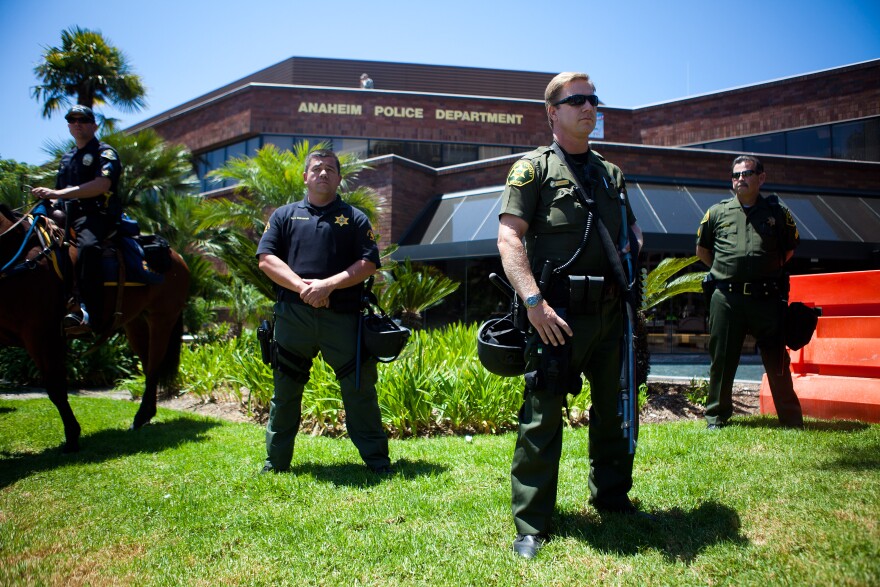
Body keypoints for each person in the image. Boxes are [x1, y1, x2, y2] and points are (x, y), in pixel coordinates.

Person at [497, 72, 645, 559]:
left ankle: (612, 496)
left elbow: (631, 236)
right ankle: (531, 524)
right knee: (541, 418)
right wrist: (533, 302)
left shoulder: (611, 173)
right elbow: (509, 237)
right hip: (554, 315)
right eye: (576, 99)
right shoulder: (532, 170)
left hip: (608, 314)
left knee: (614, 410)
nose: (589, 106)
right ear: (552, 111)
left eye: (593, 99)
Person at [256, 148, 391, 475]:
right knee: (285, 393)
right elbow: (266, 259)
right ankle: (275, 465)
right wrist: (305, 288)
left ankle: (378, 462)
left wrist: (328, 285)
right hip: (293, 316)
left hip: (342, 318)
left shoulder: (355, 218)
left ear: (339, 178)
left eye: (330, 169)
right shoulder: (284, 216)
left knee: (359, 391)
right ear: (305, 176)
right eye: (317, 168)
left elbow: (368, 263)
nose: (323, 174)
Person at [696, 155, 803, 430]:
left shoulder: (777, 213)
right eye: (735, 175)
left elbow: (789, 249)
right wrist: (728, 271)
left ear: (761, 178)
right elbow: (703, 251)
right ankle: (716, 418)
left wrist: (762, 271)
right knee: (722, 359)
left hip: (766, 298)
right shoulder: (716, 212)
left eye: (746, 173)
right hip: (727, 298)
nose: (740, 179)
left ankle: (791, 420)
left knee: (777, 359)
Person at [32, 105, 122, 332]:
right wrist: (45, 203)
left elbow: (102, 185)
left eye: (83, 119)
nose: (77, 123)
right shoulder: (67, 158)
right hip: (65, 217)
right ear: (69, 126)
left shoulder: (105, 153)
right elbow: (57, 194)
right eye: (72, 120)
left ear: (94, 125)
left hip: (96, 216)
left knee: (89, 248)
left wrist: (59, 194)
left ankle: (89, 314)